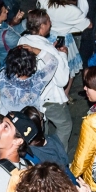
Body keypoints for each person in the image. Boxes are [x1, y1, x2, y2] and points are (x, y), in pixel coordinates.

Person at [18, 10, 71, 147]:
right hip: (50, 98)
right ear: (42, 26)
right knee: (65, 125)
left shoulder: (22, 40)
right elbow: (62, 80)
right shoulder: (51, 51)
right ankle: (59, 155)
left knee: (41, 129)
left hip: (31, 98)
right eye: (48, 21)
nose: (51, 24)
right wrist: (63, 56)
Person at [0, 45, 58, 114]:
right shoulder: (37, 81)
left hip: (6, 120)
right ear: (32, 64)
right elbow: (53, 62)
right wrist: (34, 49)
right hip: (29, 121)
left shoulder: (2, 75)